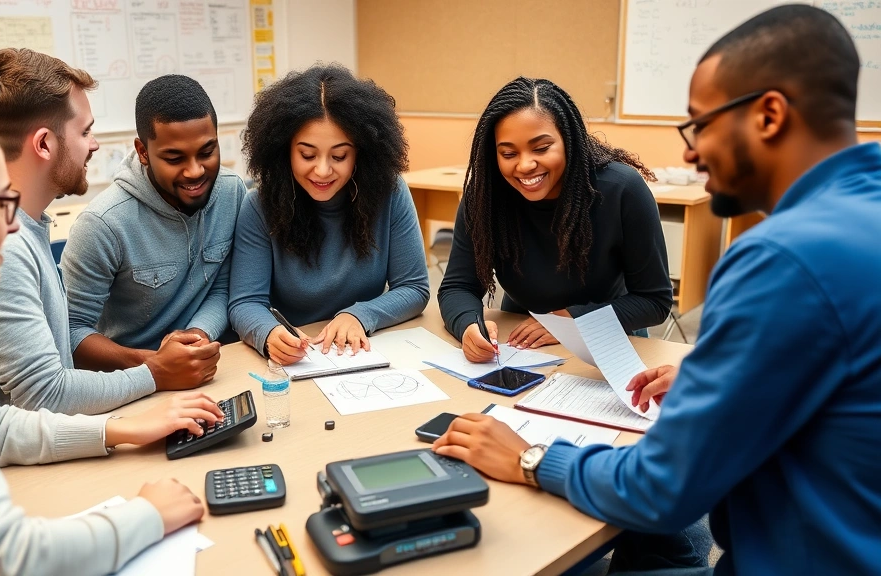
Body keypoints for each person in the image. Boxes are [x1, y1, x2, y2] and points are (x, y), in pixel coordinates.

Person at [433, 5, 881, 575]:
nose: (690, 154)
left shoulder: (781, 261)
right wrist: (713, 376)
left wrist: (529, 458)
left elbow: (663, 488)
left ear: (769, 114)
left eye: (700, 125)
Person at [0, 95, 218, 575]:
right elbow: (10, 557)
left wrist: (119, 429)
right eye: (1, 200)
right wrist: (148, 514)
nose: (13, 223)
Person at [0, 49, 211, 415]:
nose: (94, 144)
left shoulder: (15, 223)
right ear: (44, 144)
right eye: (85, 131)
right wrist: (154, 372)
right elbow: (44, 396)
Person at [437, 77, 672, 363]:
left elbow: (654, 301)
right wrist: (468, 325)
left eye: (541, 148)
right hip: (521, 341)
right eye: (508, 153)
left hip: (606, 335)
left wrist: (572, 321)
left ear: (569, 141)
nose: (524, 165)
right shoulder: (485, 197)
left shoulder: (622, 189)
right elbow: (457, 286)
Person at [228, 64, 430, 365]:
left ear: (361, 153)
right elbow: (245, 302)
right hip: (299, 359)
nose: (322, 170)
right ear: (284, 150)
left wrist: (360, 315)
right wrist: (269, 333)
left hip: (362, 353)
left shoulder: (390, 192)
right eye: (307, 155)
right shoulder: (259, 206)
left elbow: (414, 287)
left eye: (339, 156)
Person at [62, 74, 246, 378]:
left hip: (209, 368)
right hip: (131, 380)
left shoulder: (231, 192)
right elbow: (69, 332)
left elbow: (224, 285)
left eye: (207, 151)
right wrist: (154, 364)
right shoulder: (103, 224)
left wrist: (197, 335)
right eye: (174, 158)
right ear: (143, 151)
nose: (195, 171)